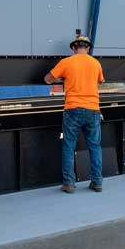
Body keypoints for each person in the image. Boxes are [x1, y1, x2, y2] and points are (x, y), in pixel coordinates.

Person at [44, 35, 105, 194]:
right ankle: (97, 183)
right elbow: (101, 80)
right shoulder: (95, 63)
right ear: (88, 48)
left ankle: (69, 184)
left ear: (73, 48)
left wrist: (63, 78)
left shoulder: (66, 62)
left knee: (68, 147)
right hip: (93, 109)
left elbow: (47, 79)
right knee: (95, 147)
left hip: (72, 109)